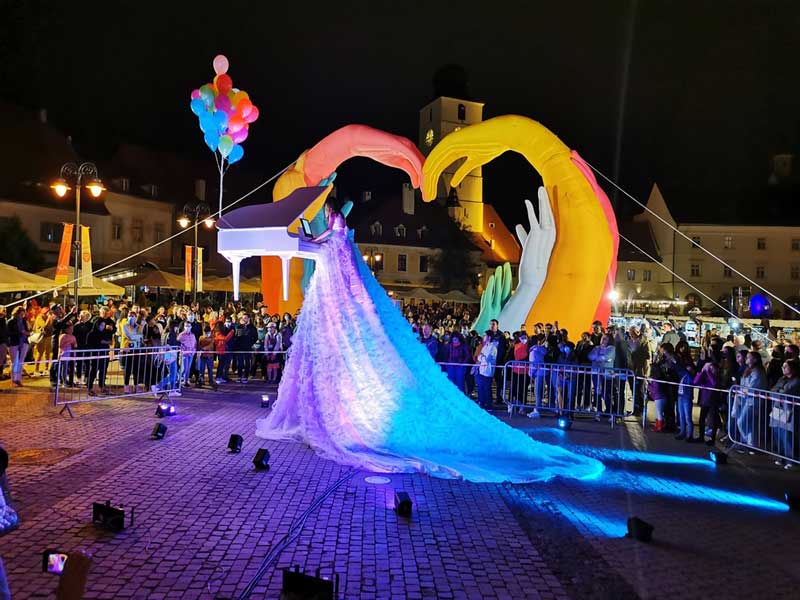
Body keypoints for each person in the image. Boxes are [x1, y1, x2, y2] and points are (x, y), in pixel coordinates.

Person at [769, 358, 800, 469]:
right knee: (778, 433)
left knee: (788, 435)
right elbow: (772, 390)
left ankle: (791, 460)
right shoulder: (782, 379)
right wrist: (778, 391)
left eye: (785, 366)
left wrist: (778, 392)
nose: (783, 368)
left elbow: (786, 392)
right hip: (778, 409)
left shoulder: (797, 381)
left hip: (789, 411)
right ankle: (781, 457)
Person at [475, 331, 498, 410]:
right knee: (480, 388)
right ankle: (482, 403)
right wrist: (482, 357)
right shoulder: (485, 347)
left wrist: (482, 357)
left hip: (488, 371)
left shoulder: (493, 347)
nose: (483, 337)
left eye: (485, 335)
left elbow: (487, 359)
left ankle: (489, 405)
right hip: (482, 370)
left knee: (487, 388)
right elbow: (479, 357)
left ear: (489, 337)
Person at [7, 306, 29, 387]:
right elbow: (8, 333)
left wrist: (27, 333)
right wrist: (20, 332)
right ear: (17, 313)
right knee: (14, 362)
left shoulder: (24, 321)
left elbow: (27, 330)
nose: (22, 315)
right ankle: (13, 379)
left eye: (23, 313)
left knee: (21, 362)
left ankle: (18, 379)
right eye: (21, 313)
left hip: (23, 342)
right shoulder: (11, 321)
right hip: (14, 343)